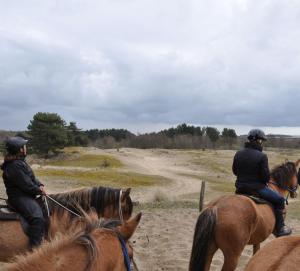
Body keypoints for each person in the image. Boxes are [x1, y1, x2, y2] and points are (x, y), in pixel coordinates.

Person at [232, 129, 292, 237]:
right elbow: (265, 178)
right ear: (258, 141)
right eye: (262, 141)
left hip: (240, 189)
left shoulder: (238, 153)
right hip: (257, 189)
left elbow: (235, 171)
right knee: (280, 200)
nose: (262, 143)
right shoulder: (261, 156)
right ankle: (280, 228)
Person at [1, 136, 46, 248]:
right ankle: (34, 249)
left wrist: (39, 184)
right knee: (37, 218)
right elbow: (26, 185)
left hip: (26, 195)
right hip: (19, 198)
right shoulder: (14, 166)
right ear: (20, 149)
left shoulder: (20, 162)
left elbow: (31, 178)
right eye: (24, 146)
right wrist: (38, 190)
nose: (26, 148)